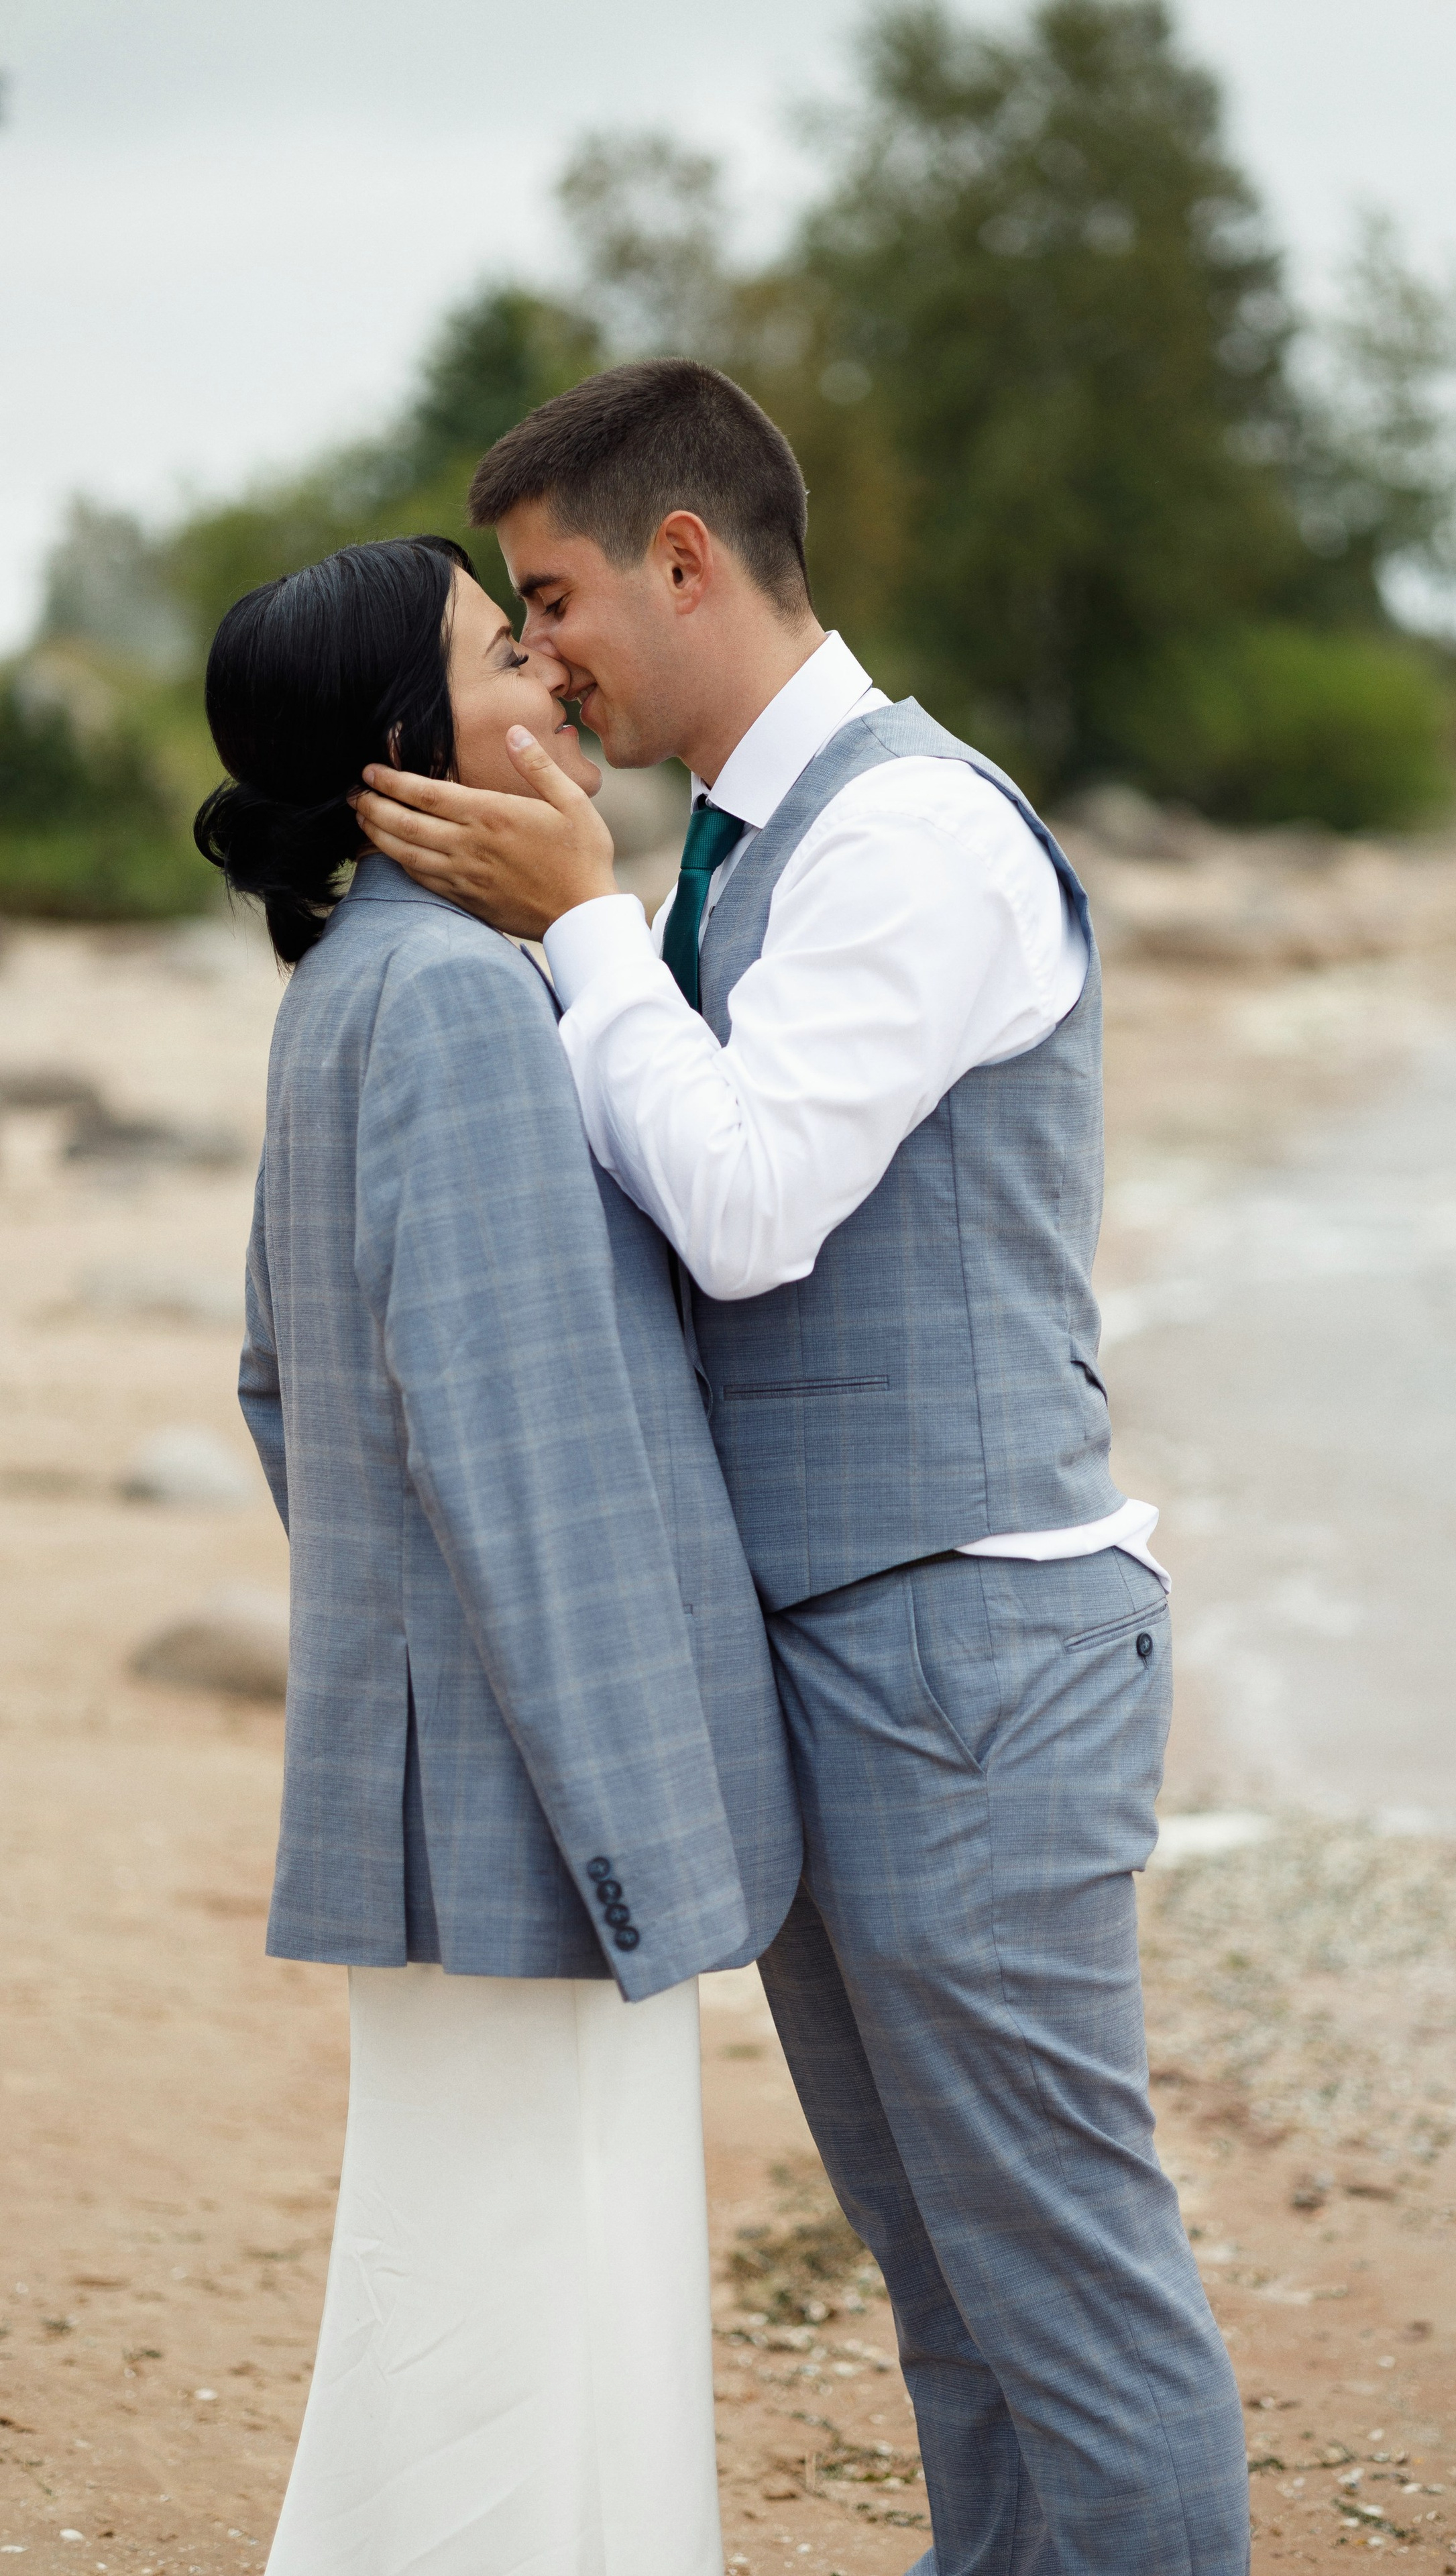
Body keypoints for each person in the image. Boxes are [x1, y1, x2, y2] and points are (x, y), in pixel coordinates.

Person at [359, 364, 1251, 2573]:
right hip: (850, 1660)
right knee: (951, 2301)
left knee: (1068, 2292)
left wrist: (574, 925)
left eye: (553, 593)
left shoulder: (912, 834)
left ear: (686, 557)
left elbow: (750, 1207)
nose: (539, 646)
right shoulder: (751, 848)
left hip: (970, 1660)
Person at [200, 532, 799, 2576]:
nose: (548, 679)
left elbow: (287, 1394)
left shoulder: (360, 979)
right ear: (398, 745)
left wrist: (402, 1661)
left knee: (495, 2292)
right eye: (497, 653)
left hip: (454, 1767)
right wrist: (641, 1830)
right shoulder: (461, 1001)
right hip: (534, 1803)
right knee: (530, 2307)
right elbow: (521, 1463)